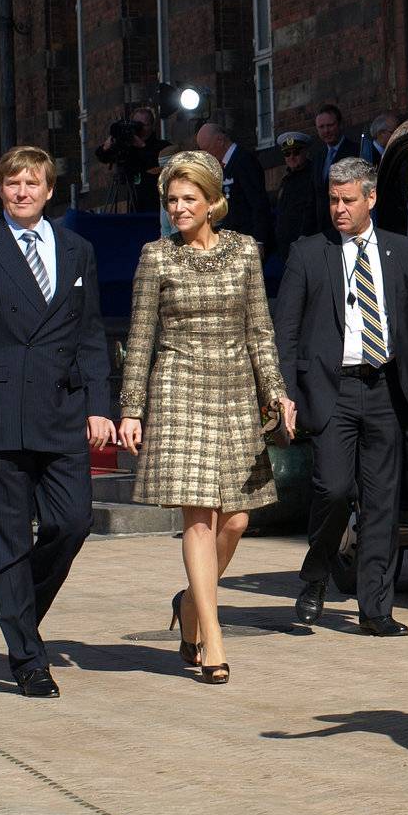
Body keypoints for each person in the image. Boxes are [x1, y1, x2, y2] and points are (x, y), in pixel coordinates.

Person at [0, 147, 115, 698]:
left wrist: (100, 404)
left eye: (32, 183)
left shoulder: (77, 249)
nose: (22, 192)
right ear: (1, 189)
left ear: (49, 189)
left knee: (73, 521)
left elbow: (89, 334)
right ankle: (28, 658)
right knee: (8, 538)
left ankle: (18, 608)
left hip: (60, 410)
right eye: (12, 183)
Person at [118, 151, 295, 685]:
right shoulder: (156, 258)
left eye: (188, 199)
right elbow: (141, 337)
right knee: (198, 516)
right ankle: (212, 641)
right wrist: (131, 408)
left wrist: (277, 394)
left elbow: (260, 330)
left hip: (236, 388)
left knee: (237, 519)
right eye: (171, 200)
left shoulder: (243, 252)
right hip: (178, 385)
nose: (177, 208)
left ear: (212, 201)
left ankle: (191, 605)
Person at [278, 158, 408, 636]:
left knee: (381, 503)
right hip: (330, 390)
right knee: (332, 490)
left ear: (370, 199)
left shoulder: (402, 252)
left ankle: (375, 608)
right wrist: (284, 395)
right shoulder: (308, 253)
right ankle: (315, 574)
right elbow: (286, 332)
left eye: (348, 200)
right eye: (333, 200)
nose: (339, 209)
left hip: (385, 388)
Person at [195, 122, 273, 252]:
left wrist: (259, 240)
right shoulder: (225, 165)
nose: (207, 156)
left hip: (247, 238)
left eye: (207, 149)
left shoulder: (243, 161)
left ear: (220, 140)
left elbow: (258, 202)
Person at [94, 105, 171, 212]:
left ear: (152, 126)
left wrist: (142, 146)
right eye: (137, 124)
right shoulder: (128, 147)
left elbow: (157, 165)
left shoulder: (162, 146)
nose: (140, 128)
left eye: (144, 125)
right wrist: (106, 147)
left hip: (155, 202)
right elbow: (102, 157)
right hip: (134, 203)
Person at [272, 131, 320, 264]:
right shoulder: (286, 179)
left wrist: (305, 234)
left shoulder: (313, 175)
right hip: (285, 246)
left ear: (306, 152)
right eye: (287, 153)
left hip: (304, 241)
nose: (292, 157)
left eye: (296, 152)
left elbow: (311, 209)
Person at [308, 104, 357, 224]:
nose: (326, 131)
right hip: (323, 229)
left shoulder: (355, 152)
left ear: (340, 125)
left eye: (330, 125)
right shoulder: (317, 157)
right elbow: (313, 197)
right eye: (321, 127)